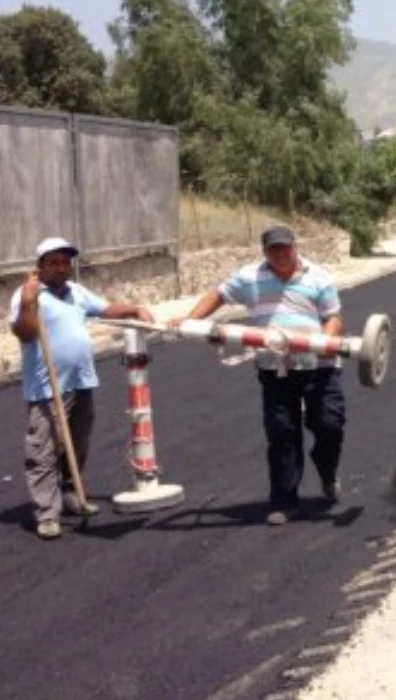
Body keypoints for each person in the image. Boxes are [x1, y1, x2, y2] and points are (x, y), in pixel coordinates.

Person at [170, 225, 346, 525]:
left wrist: (326, 343)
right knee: (282, 432)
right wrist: (189, 320)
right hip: (274, 369)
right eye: (273, 249)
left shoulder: (319, 276)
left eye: (285, 248)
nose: (280, 254)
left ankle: (326, 469)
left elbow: (333, 317)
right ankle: (284, 501)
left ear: (295, 246)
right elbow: (219, 295)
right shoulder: (249, 277)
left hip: (318, 367)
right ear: (264, 251)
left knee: (329, 424)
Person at [8, 237, 154, 540]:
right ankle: (48, 513)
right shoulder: (29, 294)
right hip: (48, 389)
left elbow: (105, 308)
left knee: (77, 445)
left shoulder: (76, 292)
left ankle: (72, 495)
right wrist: (27, 302)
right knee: (43, 452)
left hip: (81, 382)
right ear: (40, 266)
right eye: (54, 262)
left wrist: (134, 309)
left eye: (66, 262)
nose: (62, 268)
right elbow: (24, 333)